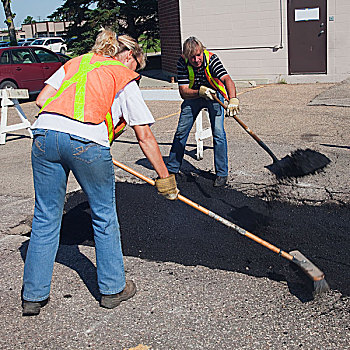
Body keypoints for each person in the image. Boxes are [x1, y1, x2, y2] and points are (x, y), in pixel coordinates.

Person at [21, 29, 179, 316]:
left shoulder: (76, 62)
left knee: (45, 216)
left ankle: (33, 295)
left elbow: (42, 100)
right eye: (137, 65)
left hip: (44, 135)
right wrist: (164, 178)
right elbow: (144, 135)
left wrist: (64, 132)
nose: (135, 71)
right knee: (104, 215)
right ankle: (112, 289)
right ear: (129, 56)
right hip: (85, 143)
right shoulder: (121, 74)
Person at [167, 36, 239, 187]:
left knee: (218, 133)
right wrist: (199, 92)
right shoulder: (182, 62)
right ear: (187, 56)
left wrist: (233, 99)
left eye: (198, 55)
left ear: (202, 51)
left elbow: (227, 79)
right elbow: (183, 92)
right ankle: (172, 170)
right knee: (181, 132)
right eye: (192, 57)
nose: (197, 59)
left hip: (214, 97)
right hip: (193, 96)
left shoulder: (212, 59)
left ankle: (221, 173)